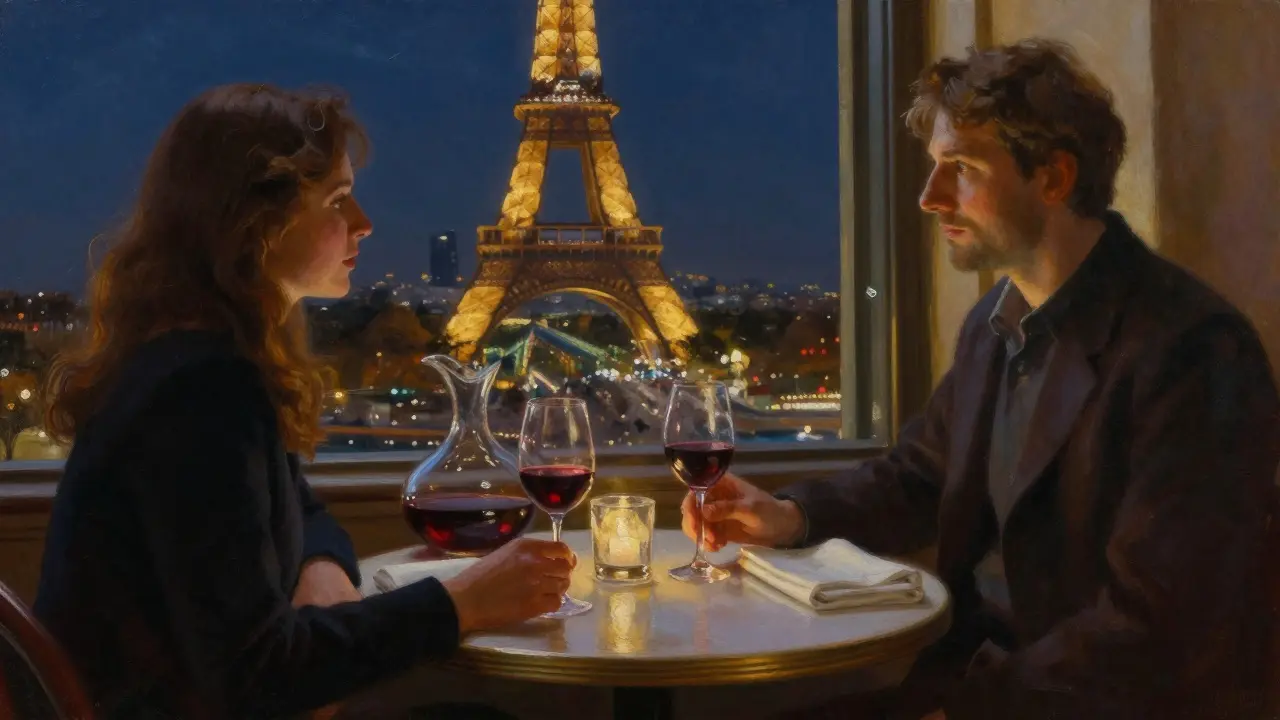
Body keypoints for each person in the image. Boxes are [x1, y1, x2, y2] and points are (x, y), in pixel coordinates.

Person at [683, 39, 1280, 720]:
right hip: (976, 684)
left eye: (961, 168)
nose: (928, 197)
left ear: (1053, 179)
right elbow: (921, 475)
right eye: (933, 166)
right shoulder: (995, 323)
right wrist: (791, 516)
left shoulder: (1194, 351)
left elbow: (1154, 631)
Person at [34, 84, 573, 720]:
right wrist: (463, 604)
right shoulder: (202, 392)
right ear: (257, 222)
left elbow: (299, 507)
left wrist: (320, 565)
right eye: (338, 200)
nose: (365, 223)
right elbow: (257, 676)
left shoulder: (188, 364)